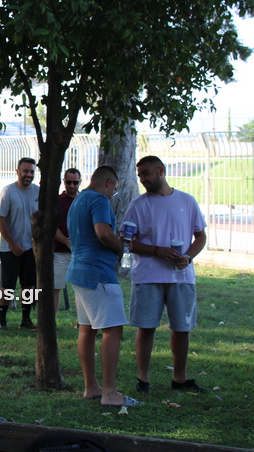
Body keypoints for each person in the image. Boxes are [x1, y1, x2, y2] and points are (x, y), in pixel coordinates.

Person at [124, 155, 208, 394]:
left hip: (181, 276)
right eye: (140, 175)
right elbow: (127, 241)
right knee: (146, 327)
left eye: (146, 173)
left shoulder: (187, 201)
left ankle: (180, 379)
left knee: (181, 328)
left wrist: (188, 257)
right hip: (148, 276)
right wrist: (156, 251)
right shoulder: (138, 205)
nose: (143, 179)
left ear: (160, 171)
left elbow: (200, 236)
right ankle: (143, 380)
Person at [66, 165, 142, 407]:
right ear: (109, 183)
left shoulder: (79, 200)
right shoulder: (99, 200)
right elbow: (102, 233)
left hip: (79, 272)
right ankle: (110, 393)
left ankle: (91, 387)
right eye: (114, 190)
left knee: (87, 330)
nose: (113, 194)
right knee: (113, 330)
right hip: (98, 273)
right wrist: (122, 247)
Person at [0, 157, 39, 330]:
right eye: (25, 171)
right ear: (18, 171)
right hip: (10, 249)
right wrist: (12, 243)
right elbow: (0, 220)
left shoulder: (38, 192)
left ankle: (26, 319)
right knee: (8, 286)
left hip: (31, 248)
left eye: (31, 172)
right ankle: (2, 319)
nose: (29, 175)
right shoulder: (8, 192)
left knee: (29, 285)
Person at [53, 168, 81, 315]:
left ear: (80, 182)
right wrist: (65, 241)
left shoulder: (84, 200)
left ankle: (82, 322)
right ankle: (51, 321)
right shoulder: (57, 201)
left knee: (81, 289)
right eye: (69, 182)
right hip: (60, 251)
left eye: (75, 182)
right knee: (55, 287)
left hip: (81, 252)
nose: (72, 185)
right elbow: (52, 226)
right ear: (64, 182)